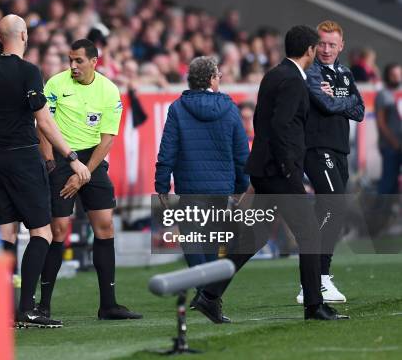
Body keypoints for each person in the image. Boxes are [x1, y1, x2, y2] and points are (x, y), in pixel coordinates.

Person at [194, 25, 348, 322]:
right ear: (310, 50)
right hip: (278, 171)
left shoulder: (276, 74)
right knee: (310, 233)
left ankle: (209, 296)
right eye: (317, 48)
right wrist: (290, 170)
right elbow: (281, 129)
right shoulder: (292, 80)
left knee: (253, 237)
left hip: (265, 169)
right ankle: (315, 305)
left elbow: (269, 126)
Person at [0, 14, 91, 328]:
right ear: (23, 35)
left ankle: (4, 308)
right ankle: (26, 309)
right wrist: (71, 156)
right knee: (42, 233)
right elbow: (44, 122)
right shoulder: (28, 71)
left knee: (5, 234)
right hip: (24, 158)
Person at [37, 39, 142, 321]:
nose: (73, 66)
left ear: (95, 61)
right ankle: (43, 305)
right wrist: (50, 165)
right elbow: (43, 128)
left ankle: (108, 305)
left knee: (105, 226)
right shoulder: (55, 85)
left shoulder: (109, 89)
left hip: (92, 161)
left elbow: (107, 139)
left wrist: (84, 175)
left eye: (79, 61)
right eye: (70, 60)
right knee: (58, 230)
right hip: (60, 159)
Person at [155, 56, 250, 308]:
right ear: (210, 79)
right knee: (210, 242)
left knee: (193, 241)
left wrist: (162, 184)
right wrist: (243, 186)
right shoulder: (229, 108)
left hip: (190, 186)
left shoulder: (177, 108)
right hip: (221, 187)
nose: (220, 78)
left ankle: (203, 292)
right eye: (218, 75)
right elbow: (241, 152)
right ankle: (208, 295)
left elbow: (168, 149)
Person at [297, 20, 365, 305]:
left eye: (331, 44)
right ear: (315, 45)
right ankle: (316, 280)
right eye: (322, 44)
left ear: (341, 46)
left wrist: (340, 99)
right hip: (316, 148)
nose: (326, 49)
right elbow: (325, 104)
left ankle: (317, 278)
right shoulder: (310, 72)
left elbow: (360, 110)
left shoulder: (345, 74)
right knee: (333, 203)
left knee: (332, 209)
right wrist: (343, 101)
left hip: (339, 150)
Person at [375, 63, 402, 195]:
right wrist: (394, 142)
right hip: (390, 146)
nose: (396, 78)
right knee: (388, 182)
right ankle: (380, 213)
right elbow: (381, 122)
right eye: (393, 75)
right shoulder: (383, 95)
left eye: (398, 75)